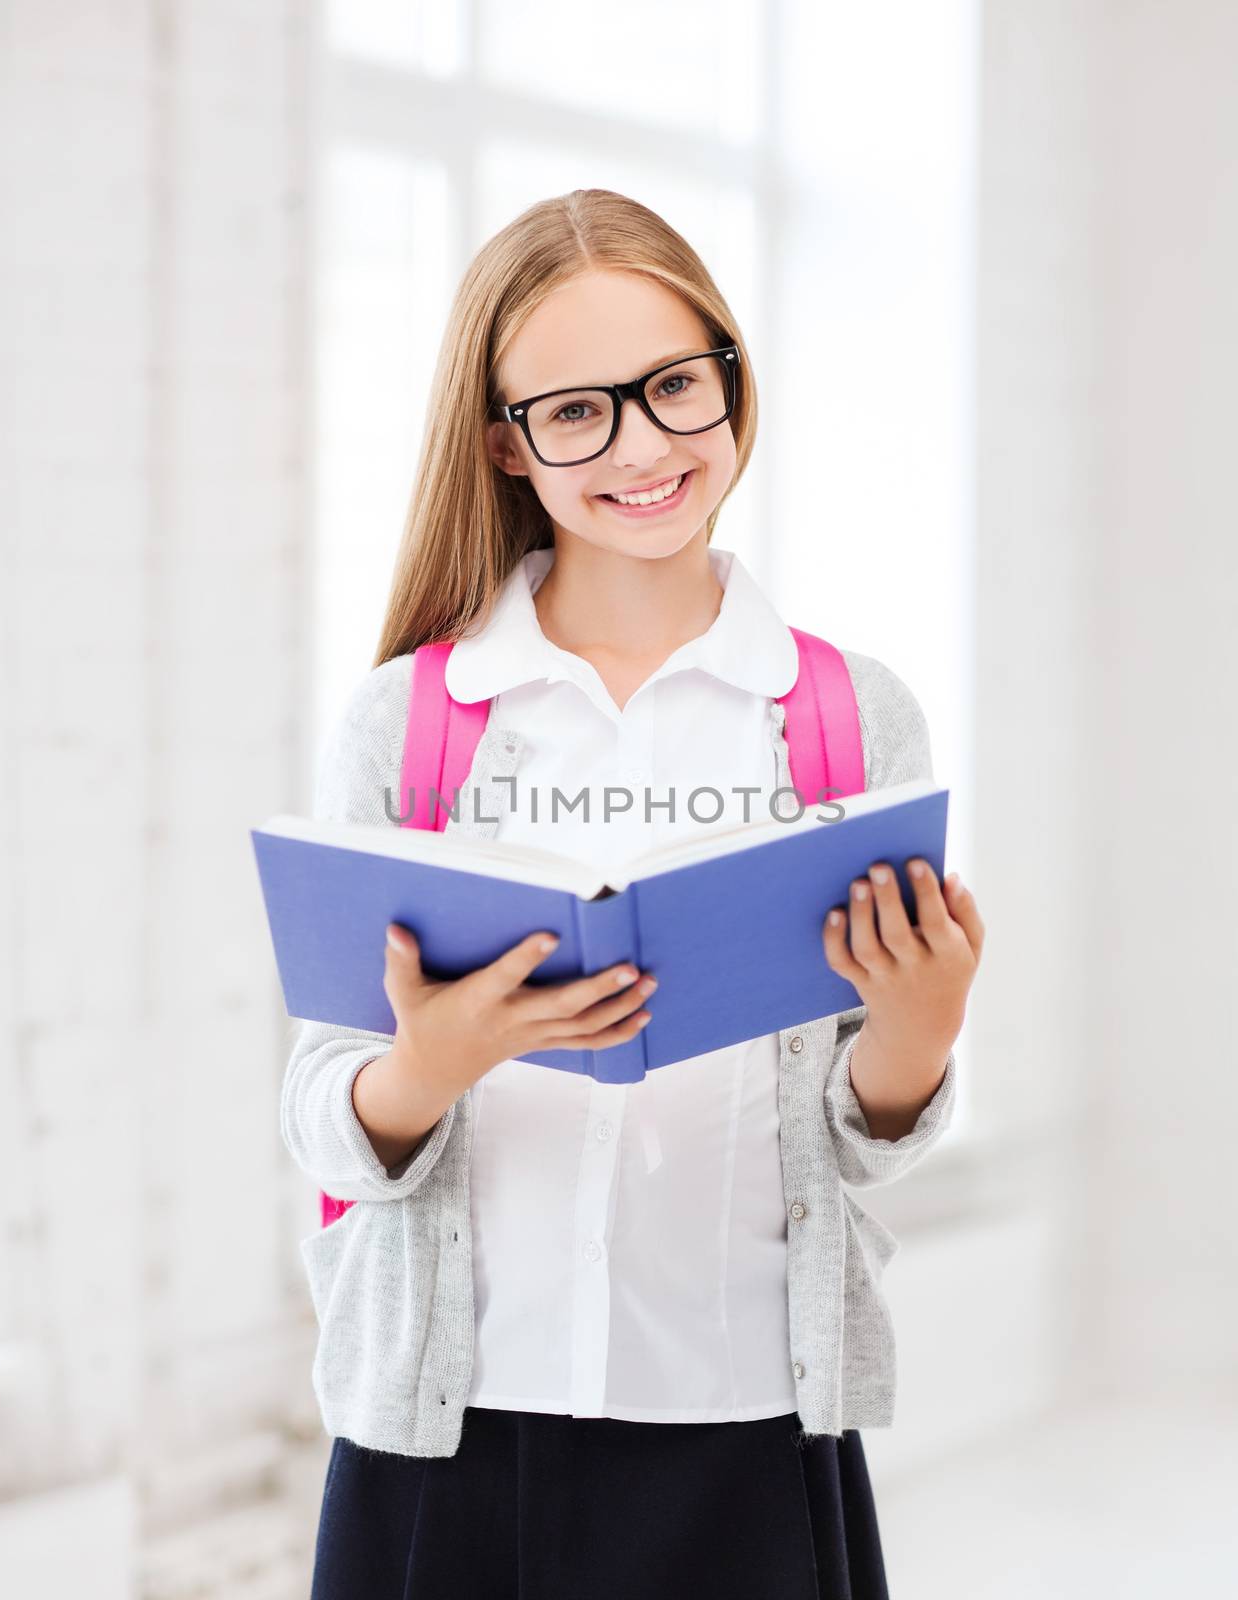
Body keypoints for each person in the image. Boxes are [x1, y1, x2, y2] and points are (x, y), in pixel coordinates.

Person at [286, 188, 985, 1600]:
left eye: (674, 386)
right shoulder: (410, 725)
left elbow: (868, 1135)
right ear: (506, 442)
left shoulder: (846, 718)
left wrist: (922, 1030)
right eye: (575, 412)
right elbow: (323, 1116)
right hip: (450, 1426)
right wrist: (426, 1067)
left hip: (744, 1422)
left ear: (730, 378)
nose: (644, 445)